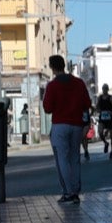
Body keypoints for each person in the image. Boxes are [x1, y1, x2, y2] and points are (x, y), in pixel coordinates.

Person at [43, 55, 91, 204]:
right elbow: (87, 103)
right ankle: (75, 192)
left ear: (52, 67)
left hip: (59, 126)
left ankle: (68, 192)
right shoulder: (79, 83)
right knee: (75, 158)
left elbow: (47, 108)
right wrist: (86, 123)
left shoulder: (52, 86)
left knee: (62, 160)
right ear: (64, 65)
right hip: (76, 125)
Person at [97, 86, 112, 158]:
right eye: (103, 89)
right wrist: (99, 111)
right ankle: (106, 143)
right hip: (102, 118)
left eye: (105, 89)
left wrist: (111, 112)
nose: (104, 90)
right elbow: (97, 107)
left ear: (107, 89)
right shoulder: (99, 98)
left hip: (110, 119)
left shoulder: (111, 98)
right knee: (100, 132)